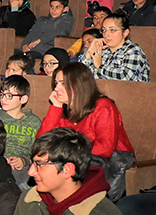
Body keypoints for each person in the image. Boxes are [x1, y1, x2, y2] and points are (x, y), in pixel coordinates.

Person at [39, 63, 135, 198]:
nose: (56, 88)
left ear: (79, 85)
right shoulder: (63, 111)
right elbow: (42, 143)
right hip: (74, 165)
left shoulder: (103, 106)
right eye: (56, 83)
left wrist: (68, 154)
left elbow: (105, 148)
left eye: (62, 83)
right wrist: (55, 107)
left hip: (105, 164)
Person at [75, 11, 150, 83]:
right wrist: (89, 52)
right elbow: (79, 74)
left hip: (130, 94)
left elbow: (125, 78)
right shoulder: (103, 50)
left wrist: (99, 66)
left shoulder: (133, 50)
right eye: (104, 30)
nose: (106, 35)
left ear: (125, 33)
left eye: (112, 30)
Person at [0, 76, 43, 186]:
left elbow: (38, 151)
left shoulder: (34, 122)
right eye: (2, 95)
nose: (3, 99)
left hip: (24, 166)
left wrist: (24, 161)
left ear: (23, 99)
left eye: (9, 96)